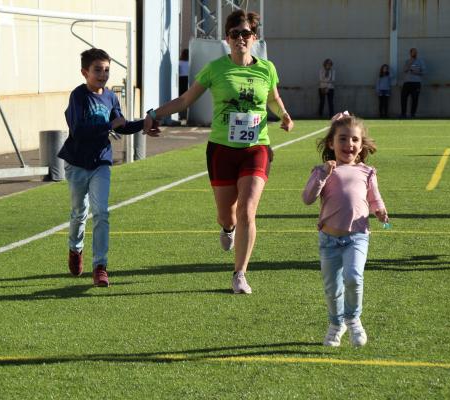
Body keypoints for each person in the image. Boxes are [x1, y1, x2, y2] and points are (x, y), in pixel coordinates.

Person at [144, 10, 294, 294]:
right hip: (222, 150)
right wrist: (156, 113)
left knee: (249, 210)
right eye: (235, 34)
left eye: (246, 34)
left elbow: (274, 99)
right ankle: (227, 229)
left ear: (254, 38)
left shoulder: (266, 68)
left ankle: (239, 274)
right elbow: (186, 100)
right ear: (227, 39)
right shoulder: (215, 69)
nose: (241, 38)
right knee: (228, 215)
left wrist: (284, 115)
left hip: (256, 148)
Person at [58, 48, 153, 287]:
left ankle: (100, 266)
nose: (103, 75)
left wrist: (145, 123)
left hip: (101, 162)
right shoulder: (78, 96)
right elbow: (78, 130)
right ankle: (75, 249)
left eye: (107, 70)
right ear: (85, 72)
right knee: (79, 212)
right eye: (97, 70)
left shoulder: (111, 97)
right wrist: (109, 124)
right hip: (77, 163)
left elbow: (120, 126)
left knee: (101, 212)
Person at [302, 111, 388, 347]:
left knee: (353, 277)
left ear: (361, 146)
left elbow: (374, 198)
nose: (348, 144)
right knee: (332, 289)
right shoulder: (323, 171)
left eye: (354, 140)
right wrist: (322, 174)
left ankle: (353, 319)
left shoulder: (367, 172)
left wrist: (380, 210)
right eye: (342, 138)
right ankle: (335, 324)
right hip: (329, 240)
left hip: (357, 237)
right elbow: (308, 198)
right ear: (331, 143)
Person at [400, 48, 426, 118]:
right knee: (403, 98)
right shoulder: (407, 61)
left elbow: (424, 72)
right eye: (413, 52)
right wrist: (409, 65)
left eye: (415, 52)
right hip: (407, 83)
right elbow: (404, 70)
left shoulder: (421, 61)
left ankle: (412, 114)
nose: (414, 53)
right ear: (410, 53)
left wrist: (416, 72)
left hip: (416, 83)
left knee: (415, 99)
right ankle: (403, 114)